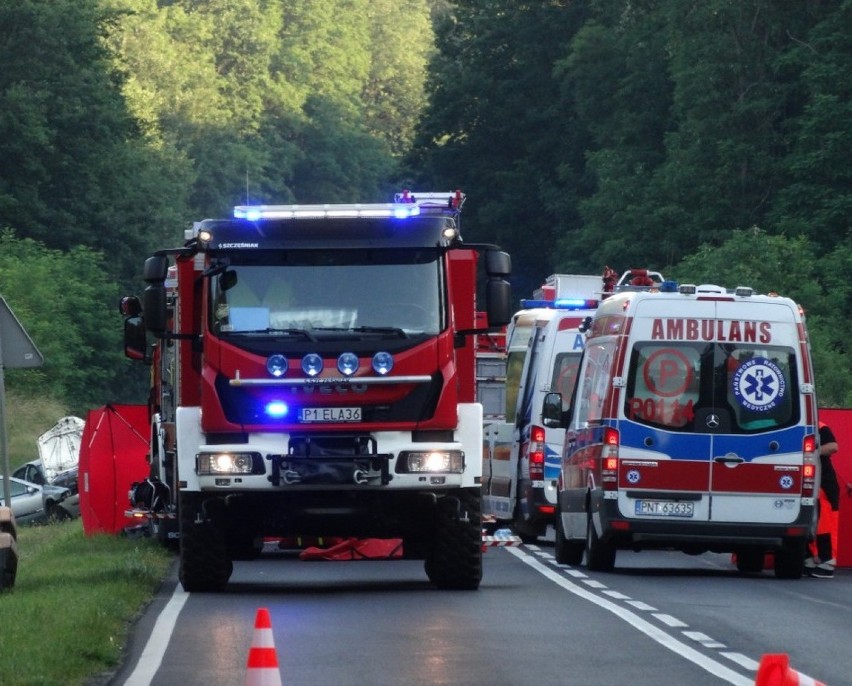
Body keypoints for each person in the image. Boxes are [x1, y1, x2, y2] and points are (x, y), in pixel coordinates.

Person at [806, 420, 840, 578]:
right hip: (810, 482)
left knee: (824, 525)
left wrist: (811, 451)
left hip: (824, 484)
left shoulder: (820, 426)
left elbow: (833, 446)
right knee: (809, 523)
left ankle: (827, 562)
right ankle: (809, 560)